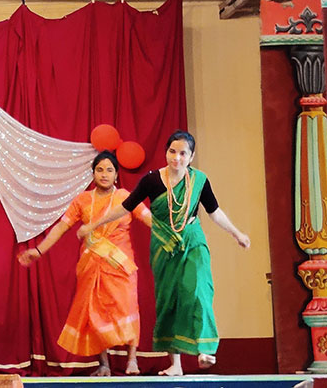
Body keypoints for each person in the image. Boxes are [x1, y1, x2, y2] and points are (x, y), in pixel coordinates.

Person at [76, 131, 251, 376]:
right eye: (172, 152)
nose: (177, 158)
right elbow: (124, 207)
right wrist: (93, 225)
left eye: (183, 153)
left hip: (192, 239)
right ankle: (175, 365)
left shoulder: (199, 181)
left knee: (199, 289)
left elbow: (214, 211)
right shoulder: (151, 181)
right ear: (166, 152)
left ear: (191, 157)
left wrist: (237, 233)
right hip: (163, 245)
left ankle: (205, 348)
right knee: (169, 300)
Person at [19, 151, 151, 376]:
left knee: (127, 307)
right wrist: (39, 250)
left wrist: (173, 234)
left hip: (120, 265)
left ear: (116, 175)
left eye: (109, 170)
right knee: (94, 313)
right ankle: (104, 364)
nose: (104, 174)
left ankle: (132, 360)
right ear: (93, 173)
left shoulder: (126, 197)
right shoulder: (83, 200)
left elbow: (149, 219)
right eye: (99, 170)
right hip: (91, 264)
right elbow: (61, 227)